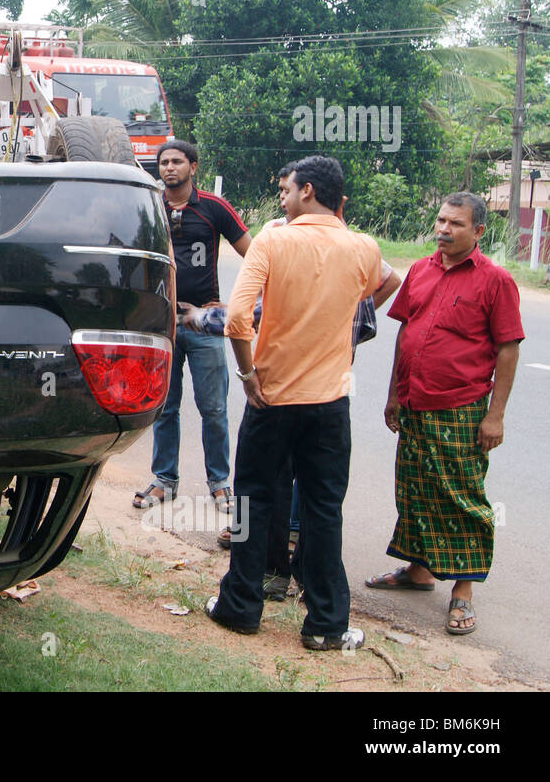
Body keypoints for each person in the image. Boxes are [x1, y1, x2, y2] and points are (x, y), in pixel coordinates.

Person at [183, 162, 402, 600]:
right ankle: (326, 622)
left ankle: (241, 605)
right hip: (331, 402)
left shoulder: (273, 240)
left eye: (287, 189)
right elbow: (364, 296)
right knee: (323, 509)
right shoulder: (364, 248)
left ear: (306, 190)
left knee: (254, 499)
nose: (283, 197)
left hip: (272, 397)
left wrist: (247, 375)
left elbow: (241, 319)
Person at [366, 192, 523, 637]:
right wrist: (395, 393)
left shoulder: (495, 281)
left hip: (462, 408)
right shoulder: (420, 269)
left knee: (460, 498)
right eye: (440, 221)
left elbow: (508, 349)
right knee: (415, 488)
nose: (443, 230)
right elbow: (405, 333)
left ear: (477, 231)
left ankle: (463, 592)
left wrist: (496, 416)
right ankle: (419, 573)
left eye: (455, 224)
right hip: (414, 402)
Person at [134, 139, 250, 513]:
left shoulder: (214, 209)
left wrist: (231, 305)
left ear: (193, 167)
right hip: (161, 324)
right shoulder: (149, 207)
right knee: (164, 406)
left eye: (177, 161)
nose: (169, 168)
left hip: (204, 325)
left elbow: (257, 256)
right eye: (163, 162)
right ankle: (164, 480)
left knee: (213, 408)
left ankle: (219, 484)